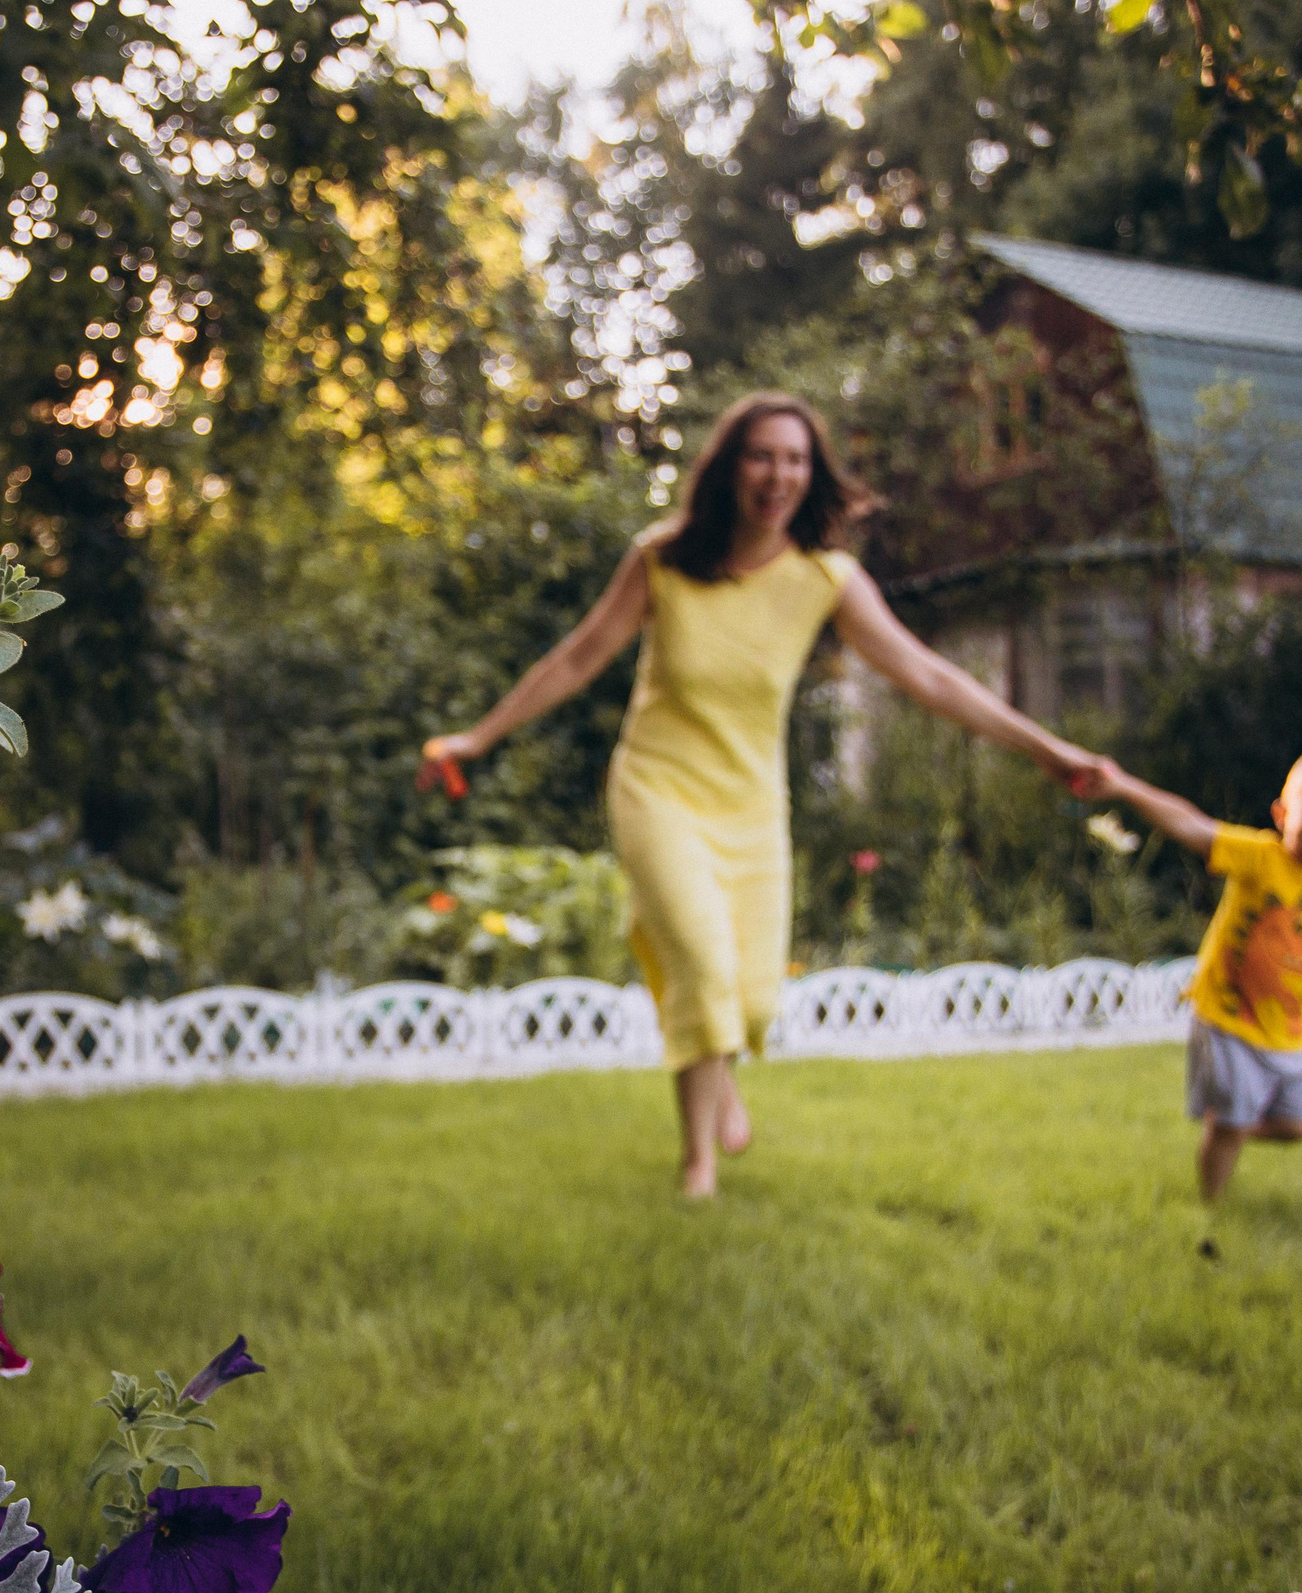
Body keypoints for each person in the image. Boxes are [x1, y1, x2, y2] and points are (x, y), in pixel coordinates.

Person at [422, 392, 1104, 1198]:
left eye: (795, 459)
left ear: (811, 476)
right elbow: (577, 659)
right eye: (761, 455)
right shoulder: (663, 559)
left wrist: (1047, 749)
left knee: (747, 997)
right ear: (728, 468)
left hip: (749, 805)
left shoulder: (825, 579)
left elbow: (928, 676)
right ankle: (697, 1167)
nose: (778, 475)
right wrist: (478, 737)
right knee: (706, 967)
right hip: (657, 787)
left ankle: (719, 1068)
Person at [1080, 746, 1302, 1203]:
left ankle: (1228, 1125)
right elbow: (1192, 825)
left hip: (1285, 1030)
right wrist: (1125, 786)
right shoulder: (1262, 858)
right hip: (1227, 1017)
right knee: (1234, 1124)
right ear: (1284, 813)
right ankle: (1212, 1204)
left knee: (1299, 1124)